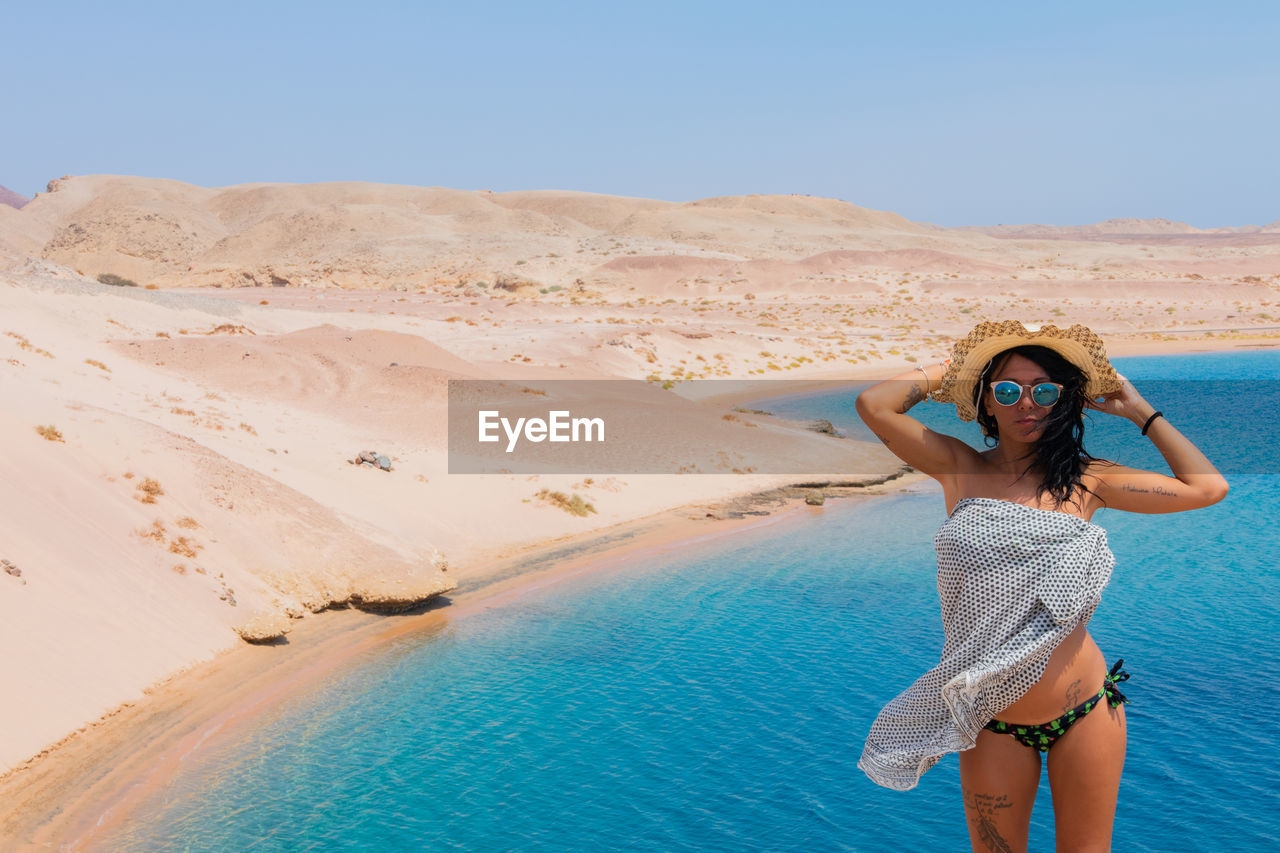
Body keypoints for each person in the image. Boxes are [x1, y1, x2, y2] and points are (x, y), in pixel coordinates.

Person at [853, 321, 1227, 852]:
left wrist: (1140, 411)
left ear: (1064, 401)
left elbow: (1207, 488)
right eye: (1007, 390)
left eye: (1044, 390)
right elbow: (875, 404)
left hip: (1087, 711)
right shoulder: (959, 468)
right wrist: (961, 370)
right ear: (986, 402)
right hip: (991, 716)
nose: (1026, 403)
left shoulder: (1089, 480)